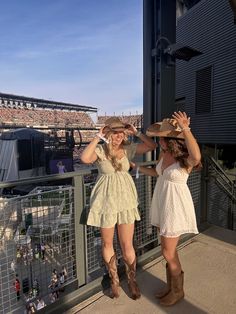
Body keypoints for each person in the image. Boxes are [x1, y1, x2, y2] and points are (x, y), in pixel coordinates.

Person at [81, 117, 157, 299]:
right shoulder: (100, 150)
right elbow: (84, 158)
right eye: (115, 133)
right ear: (108, 133)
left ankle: (131, 280)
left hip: (125, 201)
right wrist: (97, 136)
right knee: (108, 243)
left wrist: (137, 132)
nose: (119, 136)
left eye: (121, 133)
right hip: (106, 202)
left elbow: (152, 146)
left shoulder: (128, 148)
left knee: (126, 244)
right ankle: (114, 280)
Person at [131, 111, 201, 306]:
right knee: (168, 250)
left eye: (161, 138)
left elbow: (197, 156)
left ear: (170, 140)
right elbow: (157, 172)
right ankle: (172, 287)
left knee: (168, 253)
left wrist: (186, 129)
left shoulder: (184, 158)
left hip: (175, 206)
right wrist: (136, 168)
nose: (158, 141)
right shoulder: (164, 154)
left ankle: (178, 291)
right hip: (164, 203)